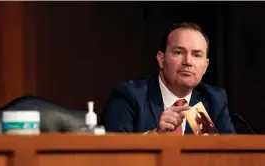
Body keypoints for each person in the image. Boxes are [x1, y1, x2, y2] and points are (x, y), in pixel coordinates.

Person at [101, 22, 236, 134]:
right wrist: (155, 135)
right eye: (178, 52)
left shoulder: (213, 100)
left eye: (196, 55)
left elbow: (231, 154)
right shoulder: (129, 96)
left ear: (205, 66)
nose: (188, 61)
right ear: (161, 59)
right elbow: (115, 154)